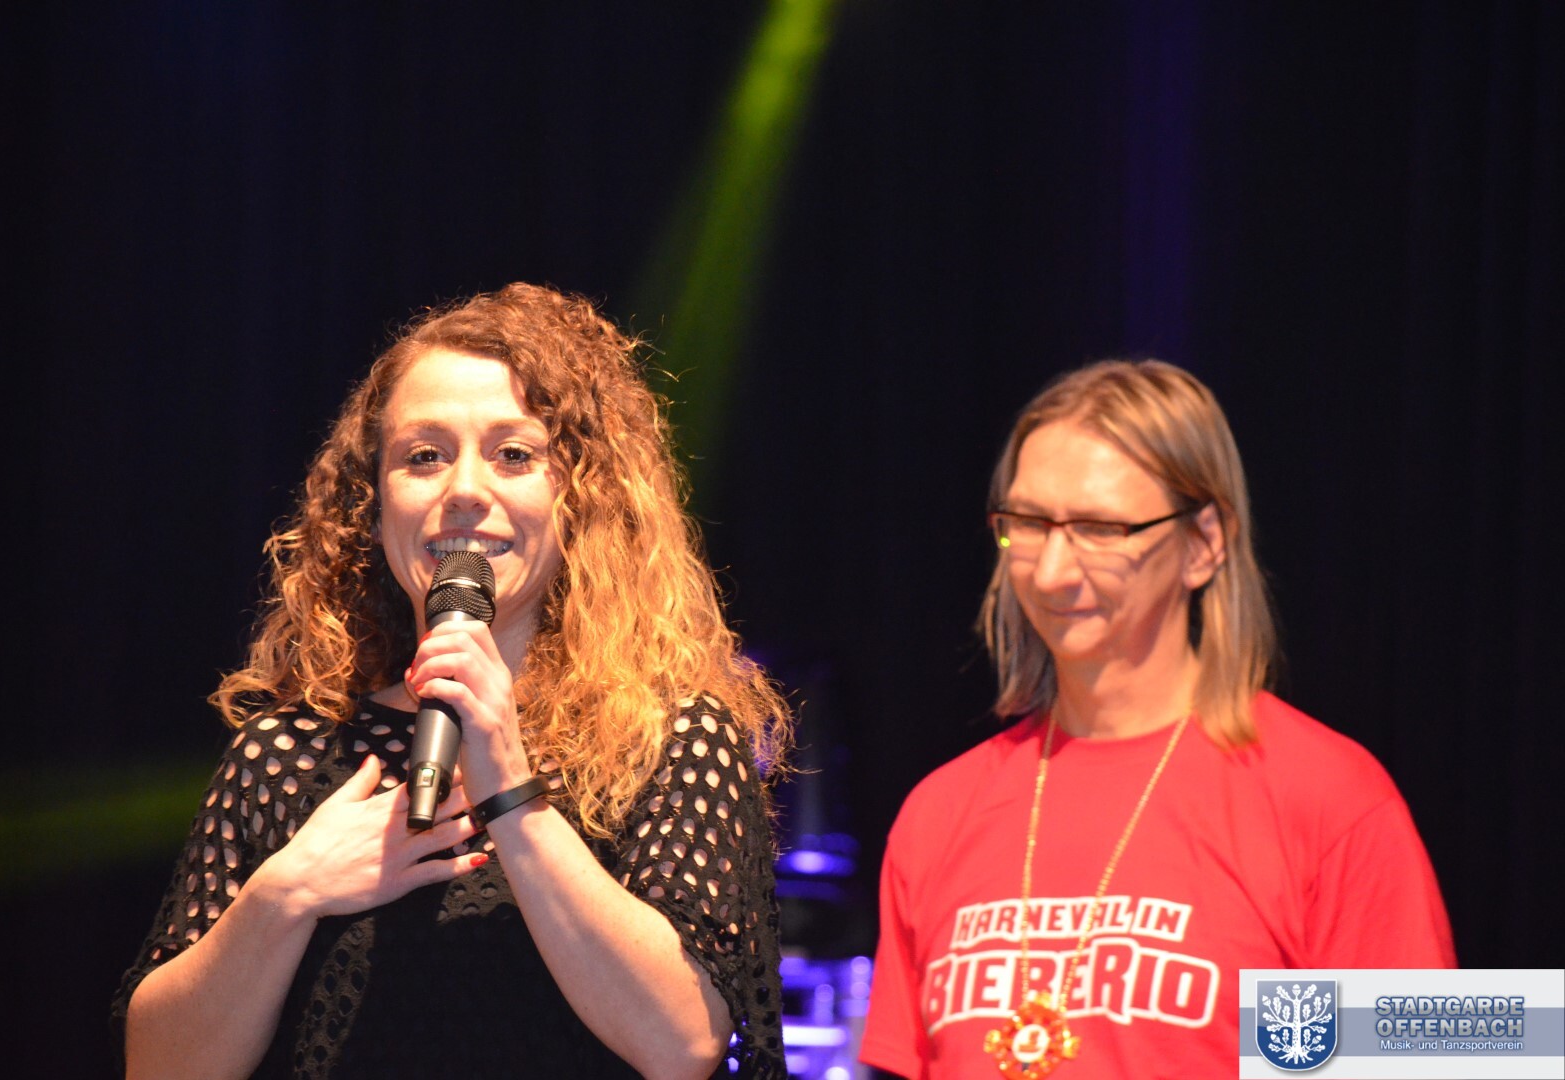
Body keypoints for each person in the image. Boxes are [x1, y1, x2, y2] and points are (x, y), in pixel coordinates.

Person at [113, 283, 792, 1079]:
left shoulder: (669, 740)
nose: (464, 489)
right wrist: (286, 893)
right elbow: (158, 1066)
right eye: (424, 456)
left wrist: (509, 785)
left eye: (514, 454)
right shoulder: (289, 754)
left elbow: (681, 1044)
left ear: (582, 497)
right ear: (373, 504)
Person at [858, 360, 1453, 1078]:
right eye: (1029, 524)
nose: (1050, 572)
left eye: (1100, 528)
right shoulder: (940, 814)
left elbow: (1435, 1056)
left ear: (1204, 544)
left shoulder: (1322, 798)